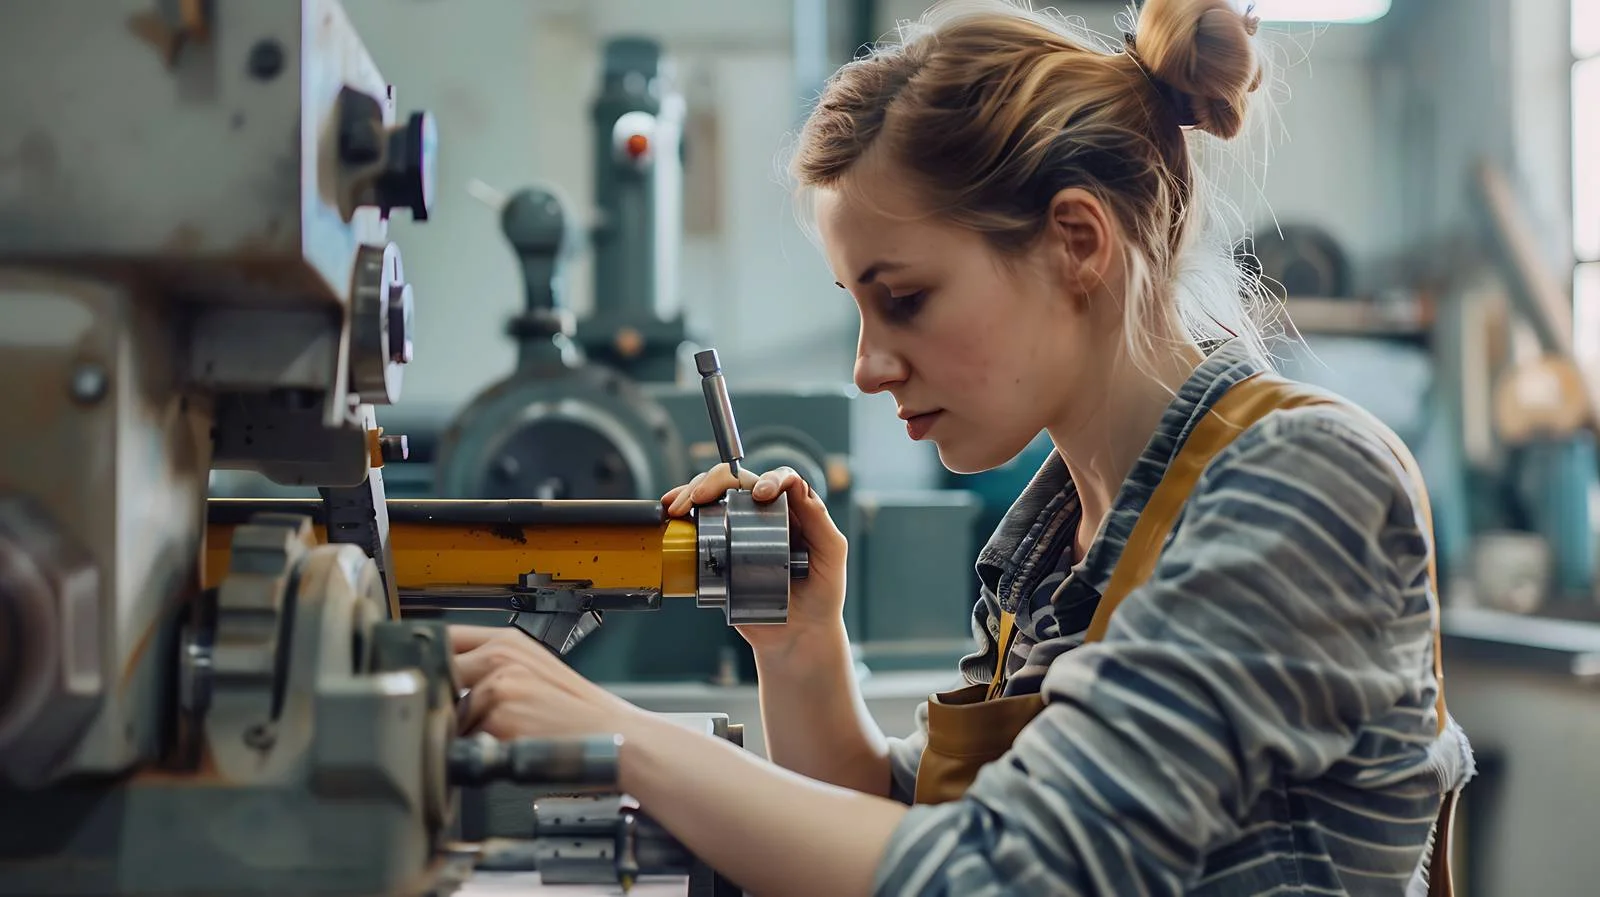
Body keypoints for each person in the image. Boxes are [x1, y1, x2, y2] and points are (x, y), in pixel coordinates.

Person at [447, 0, 1475, 893]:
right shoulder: (1051, 541)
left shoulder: (1301, 484)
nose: (868, 365)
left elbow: (1002, 873)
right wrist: (803, 649)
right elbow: (908, 828)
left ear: (1077, 240)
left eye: (904, 300)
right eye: (858, 308)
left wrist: (615, 737)